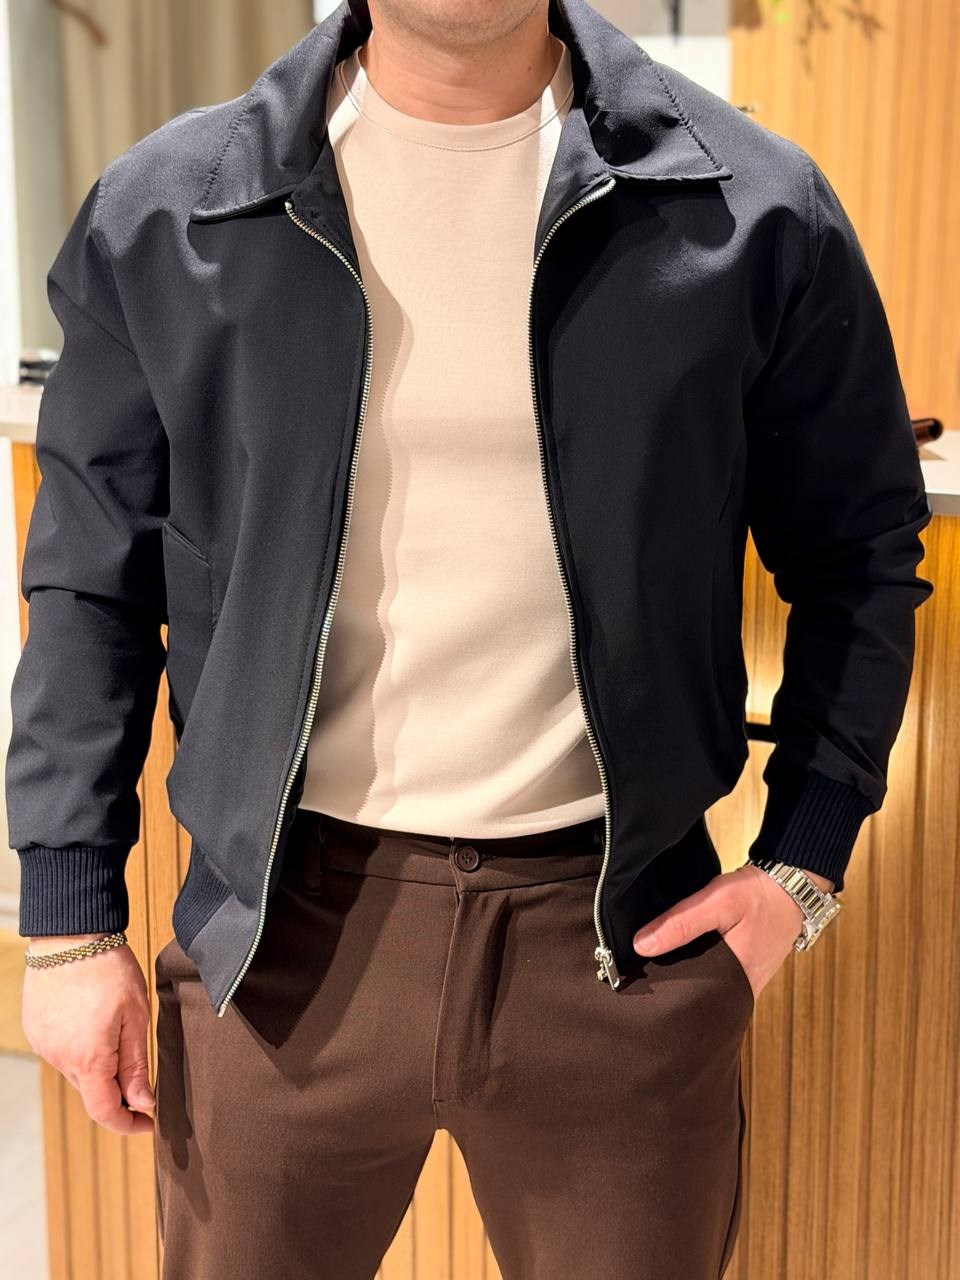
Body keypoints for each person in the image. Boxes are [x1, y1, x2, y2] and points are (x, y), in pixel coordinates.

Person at [7, 0, 933, 1276]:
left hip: (618, 942)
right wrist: (68, 917)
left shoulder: (752, 208)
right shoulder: (172, 210)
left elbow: (861, 553)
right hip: (275, 943)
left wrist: (803, 865)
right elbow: (88, 582)